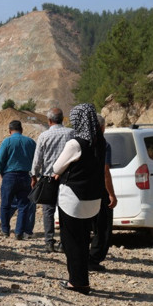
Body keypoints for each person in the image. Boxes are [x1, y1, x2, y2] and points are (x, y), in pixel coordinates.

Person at [53, 104, 106, 295]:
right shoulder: (100, 143)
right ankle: (81, 279)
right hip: (93, 200)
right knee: (84, 241)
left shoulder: (75, 144)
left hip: (73, 200)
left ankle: (78, 282)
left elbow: (56, 168)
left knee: (71, 242)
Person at [31, 108, 73, 252]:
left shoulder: (44, 136)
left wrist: (34, 176)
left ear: (49, 121)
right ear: (62, 119)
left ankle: (49, 242)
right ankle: (64, 243)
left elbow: (38, 159)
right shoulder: (71, 133)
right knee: (65, 210)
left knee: (48, 211)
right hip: (67, 178)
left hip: (48, 178)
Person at [0, 120, 36, 239]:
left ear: (9, 130)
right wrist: (34, 175)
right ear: (22, 129)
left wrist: (2, 172)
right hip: (26, 176)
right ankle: (19, 232)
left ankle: (5, 230)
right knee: (23, 205)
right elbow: (36, 160)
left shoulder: (7, 141)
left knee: (5, 204)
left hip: (10, 176)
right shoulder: (30, 142)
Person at [88, 115, 117, 272]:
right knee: (102, 227)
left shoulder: (81, 142)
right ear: (102, 127)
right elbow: (105, 171)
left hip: (82, 190)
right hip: (99, 190)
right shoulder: (103, 145)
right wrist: (111, 194)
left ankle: (81, 258)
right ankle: (93, 259)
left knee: (85, 226)